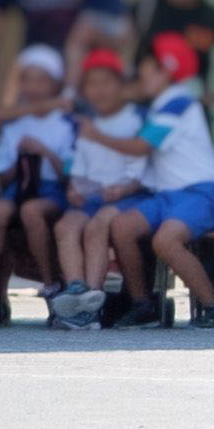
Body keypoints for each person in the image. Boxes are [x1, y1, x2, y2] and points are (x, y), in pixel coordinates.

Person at [87, 34, 214, 328]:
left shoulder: (178, 103)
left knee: (165, 240)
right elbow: (151, 164)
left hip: (200, 193)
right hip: (168, 196)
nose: (141, 73)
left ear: (166, 71)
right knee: (122, 226)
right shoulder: (163, 105)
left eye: (148, 67)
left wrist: (95, 135)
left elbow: (141, 147)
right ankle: (143, 305)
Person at [0, 45, 76, 326]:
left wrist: (45, 152)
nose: (33, 87)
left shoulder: (66, 123)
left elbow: (68, 174)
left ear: (55, 83)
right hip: (17, 187)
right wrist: (15, 158)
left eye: (40, 80)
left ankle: (51, 286)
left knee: (32, 211)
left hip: (51, 189)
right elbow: (2, 178)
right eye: (27, 80)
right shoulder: (13, 123)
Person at [51, 48, 148, 326]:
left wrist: (123, 190)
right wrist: (74, 189)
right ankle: (77, 290)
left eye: (106, 82)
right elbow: (78, 167)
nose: (100, 90)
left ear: (121, 85)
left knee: (96, 228)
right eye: (92, 84)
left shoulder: (136, 118)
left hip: (129, 197)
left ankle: (90, 304)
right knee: (65, 227)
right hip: (93, 197)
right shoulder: (87, 123)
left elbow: (142, 170)